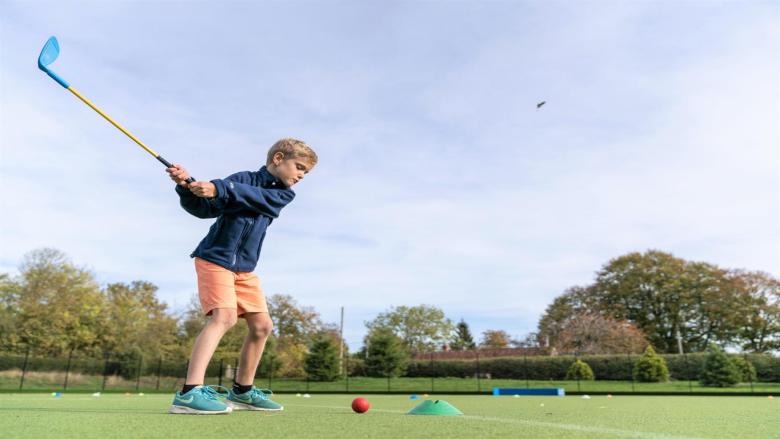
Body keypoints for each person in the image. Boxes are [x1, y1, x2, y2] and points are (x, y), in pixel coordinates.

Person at [166, 138, 317, 414]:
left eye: (305, 172)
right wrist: (187, 187)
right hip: (215, 259)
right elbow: (205, 209)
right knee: (225, 317)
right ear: (278, 158)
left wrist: (219, 188)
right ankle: (189, 393)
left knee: (262, 326)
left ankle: (243, 392)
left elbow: (255, 198)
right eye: (299, 167)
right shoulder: (242, 179)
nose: (301, 176)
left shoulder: (283, 194)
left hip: (245, 270)